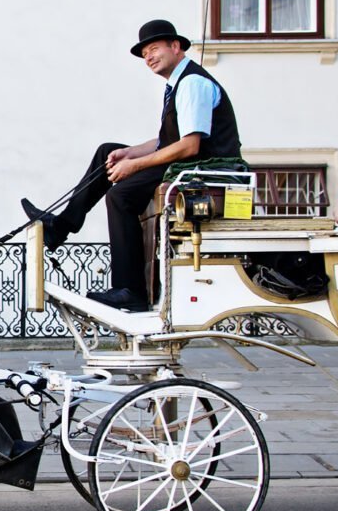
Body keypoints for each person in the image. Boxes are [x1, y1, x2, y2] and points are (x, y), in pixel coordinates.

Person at [22, 19, 242, 312]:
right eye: (145, 54)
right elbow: (166, 141)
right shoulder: (178, 84)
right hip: (187, 163)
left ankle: (130, 290)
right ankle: (60, 227)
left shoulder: (191, 83)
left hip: (202, 168)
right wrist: (129, 153)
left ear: (175, 47)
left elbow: (190, 146)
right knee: (107, 152)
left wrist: (134, 167)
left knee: (120, 196)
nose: (149, 57)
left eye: (154, 49)